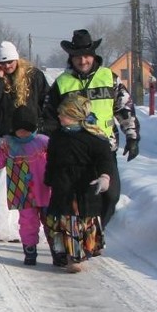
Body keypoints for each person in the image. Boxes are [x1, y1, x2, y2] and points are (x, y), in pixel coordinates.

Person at [42, 29, 140, 236]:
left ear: (94, 56)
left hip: (104, 147)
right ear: (72, 58)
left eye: (86, 56)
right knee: (78, 199)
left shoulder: (109, 78)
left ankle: (95, 232)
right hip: (74, 153)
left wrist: (132, 136)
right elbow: (49, 116)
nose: (83, 60)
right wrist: (53, 143)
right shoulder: (62, 82)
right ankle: (75, 240)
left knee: (111, 196)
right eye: (78, 57)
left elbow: (124, 108)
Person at [44, 94, 116, 273]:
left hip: (85, 186)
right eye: (60, 114)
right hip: (63, 184)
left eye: (64, 114)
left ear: (76, 115)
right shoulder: (57, 136)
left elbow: (105, 160)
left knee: (83, 221)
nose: (60, 117)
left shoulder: (94, 137)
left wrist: (105, 177)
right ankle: (71, 257)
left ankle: (81, 253)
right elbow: (51, 159)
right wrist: (48, 179)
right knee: (67, 221)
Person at [0, 105, 52, 265]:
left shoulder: (43, 142)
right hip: (22, 190)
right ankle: (30, 249)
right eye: (20, 130)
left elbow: (57, 159)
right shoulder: (9, 145)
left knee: (51, 221)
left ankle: (58, 249)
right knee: (27, 221)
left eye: (27, 130)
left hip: (44, 190)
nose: (23, 133)